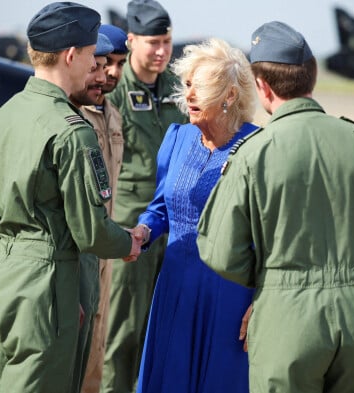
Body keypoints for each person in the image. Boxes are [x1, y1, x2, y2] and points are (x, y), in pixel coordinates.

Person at [197, 21, 354, 393]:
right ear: (310, 78)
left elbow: (220, 251)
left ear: (263, 86)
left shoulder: (252, 155)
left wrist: (274, 278)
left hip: (288, 315)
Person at [0, 3, 140, 393]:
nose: (94, 67)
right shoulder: (72, 130)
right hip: (53, 285)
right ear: (70, 55)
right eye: (89, 55)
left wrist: (13, 274)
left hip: (6, 280)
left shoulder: (4, 116)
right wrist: (129, 243)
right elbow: (91, 233)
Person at [134, 38, 259, 393]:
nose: (189, 95)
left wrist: (260, 301)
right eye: (188, 84)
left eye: (201, 87)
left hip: (228, 294)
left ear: (230, 96)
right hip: (173, 285)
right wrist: (144, 230)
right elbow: (160, 207)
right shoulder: (177, 137)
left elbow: (270, 236)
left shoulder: (258, 147)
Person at [102, 1, 188, 392]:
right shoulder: (113, 89)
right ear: (132, 39)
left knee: (168, 329)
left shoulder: (177, 88)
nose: (162, 51)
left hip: (177, 226)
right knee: (124, 330)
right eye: (153, 42)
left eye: (167, 42)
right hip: (131, 226)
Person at [70, 24, 130, 393]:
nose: (112, 73)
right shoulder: (72, 117)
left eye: (119, 64)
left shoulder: (114, 115)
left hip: (103, 250)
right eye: (105, 63)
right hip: (78, 251)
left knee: (98, 339)